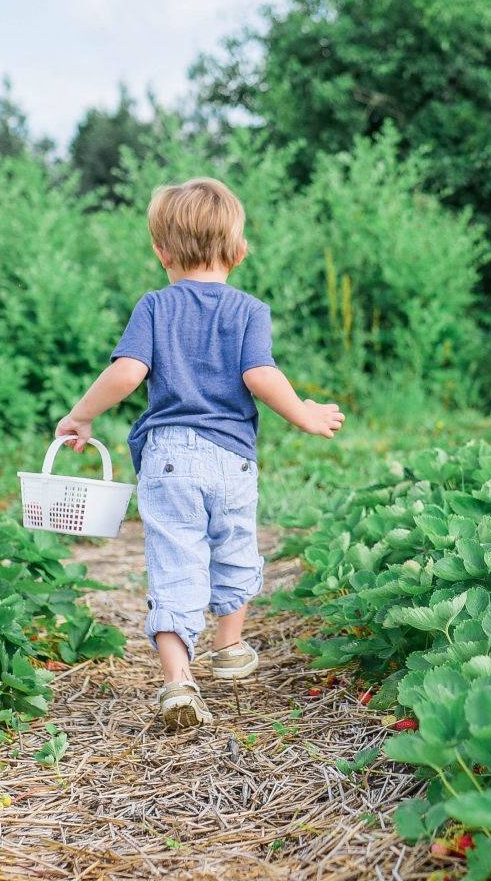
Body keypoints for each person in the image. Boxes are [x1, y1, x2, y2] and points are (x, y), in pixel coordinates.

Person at [53, 177, 344, 730]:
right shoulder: (249, 310)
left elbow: (128, 372)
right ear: (238, 251)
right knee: (235, 546)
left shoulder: (156, 306)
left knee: (175, 562)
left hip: (168, 458)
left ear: (161, 252)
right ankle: (230, 646)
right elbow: (260, 375)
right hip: (232, 457)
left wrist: (82, 413)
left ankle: (178, 681)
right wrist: (304, 413)